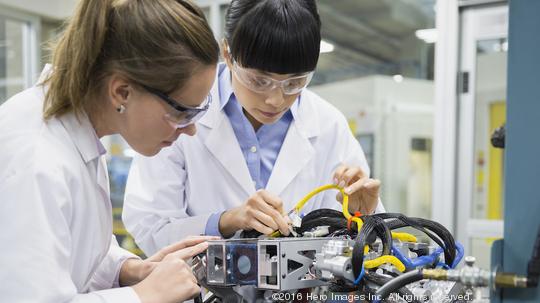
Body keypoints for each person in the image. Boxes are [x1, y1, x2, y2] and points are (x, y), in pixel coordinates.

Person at [123, 0, 385, 256]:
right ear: (227, 53)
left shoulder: (329, 125)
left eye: (294, 83)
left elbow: (360, 251)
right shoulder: (183, 113)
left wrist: (364, 214)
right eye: (259, 81)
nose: (275, 100)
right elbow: (151, 227)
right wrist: (227, 221)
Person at [0, 0, 220, 302]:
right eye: (182, 111)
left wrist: (130, 270)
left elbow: (70, 248)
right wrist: (143, 296)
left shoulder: (77, 133)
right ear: (122, 92)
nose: (191, 129)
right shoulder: (35, 157)